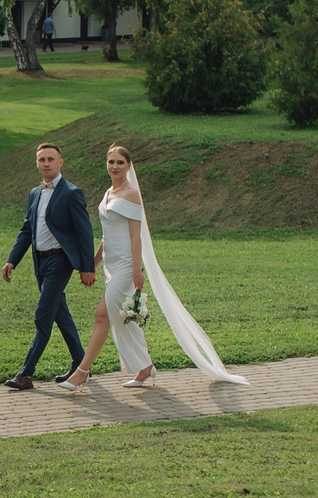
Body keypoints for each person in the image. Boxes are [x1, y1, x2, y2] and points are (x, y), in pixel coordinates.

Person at [61, 142, 251, 392]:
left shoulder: (131, 193)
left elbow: (135, 236)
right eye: (111, 161)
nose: (115, 166)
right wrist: (93, 264)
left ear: (128, 166)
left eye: (120, 162)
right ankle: (145, 367)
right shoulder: (108, 192)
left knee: (102, 315)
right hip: (111, 264)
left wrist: (137, 269)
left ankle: (81, 372)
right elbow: (107, 236)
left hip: (127, 264)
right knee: (124, 318)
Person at [0, 141, 95, 391]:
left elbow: (84, 233)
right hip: (39, 261)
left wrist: (88, 268)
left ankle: (26, 374)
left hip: (60, 262)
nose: (46, 163)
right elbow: (26, 230)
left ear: (60, 163)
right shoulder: (35, 193)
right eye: (42, 159)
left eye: (51, 159)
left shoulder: (72, 193)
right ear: (37, 163)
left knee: (43, 316)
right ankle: (81, 364)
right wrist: (12, 260)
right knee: (60, 315)